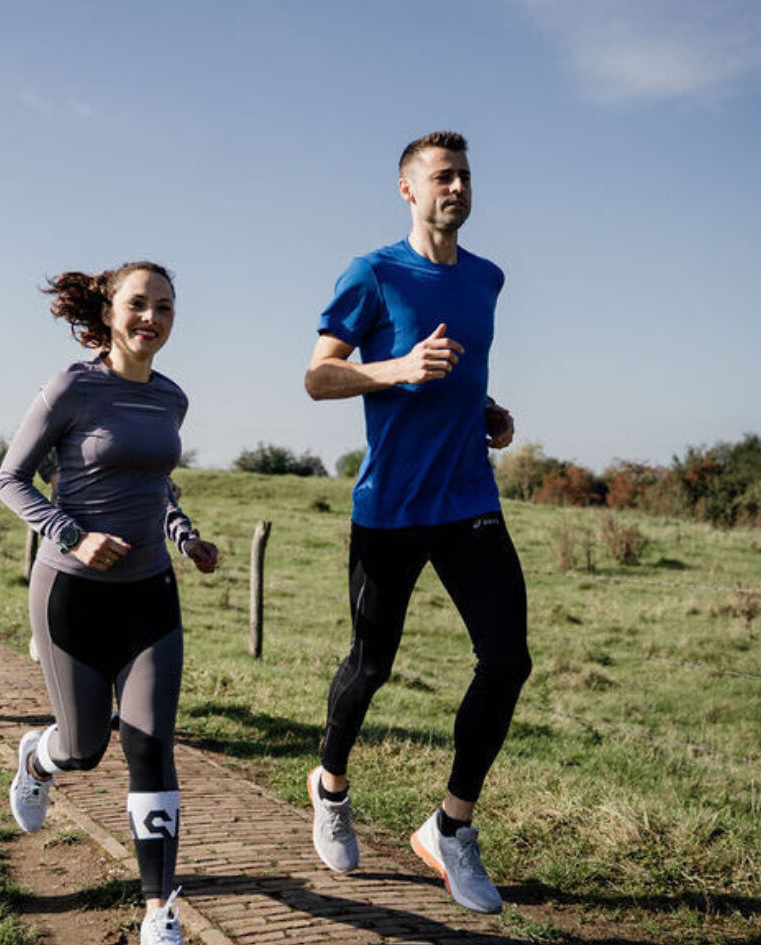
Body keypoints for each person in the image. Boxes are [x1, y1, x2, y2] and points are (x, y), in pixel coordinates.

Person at [303, 131, 531, 915]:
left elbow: (460, 375)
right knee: (372, 664)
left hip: (469, 499)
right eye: (442, 176)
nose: (457, 187)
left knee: (507, 659)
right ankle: (331, 784)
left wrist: (485, 410)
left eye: (465, 175)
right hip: (391, 505)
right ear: (408, 188)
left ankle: (450, 827)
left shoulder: (488, 279)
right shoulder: (373, 273)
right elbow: (318, 375)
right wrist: (397, 368)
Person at [0, 261, 219, 945]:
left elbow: (158, 485)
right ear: (108, 312)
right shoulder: (72, 386)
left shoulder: (173, 398)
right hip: (72, 593)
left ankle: (159, 909)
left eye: (164, 307)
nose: (151, 318)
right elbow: (11, 478)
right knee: (85, 748)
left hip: (150, 594)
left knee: (149, 743)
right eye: (138, 304)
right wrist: (72, 534)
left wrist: (184, 535)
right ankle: (38, 758)